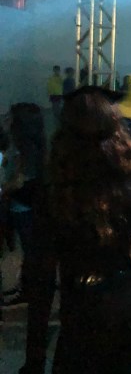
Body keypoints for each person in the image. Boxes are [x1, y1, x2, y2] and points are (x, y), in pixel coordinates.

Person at [17, 88, 131, 374]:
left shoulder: (56, 192)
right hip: (126, 303)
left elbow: (41, 280)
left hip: (83, 309)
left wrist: (35, 357)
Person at [0, 103, 46, 307]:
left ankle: (29, 290)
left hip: (23, 207)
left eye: (10, 117)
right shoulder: (36, 144)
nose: (6, 119)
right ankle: (27, 288)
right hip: (30, 206)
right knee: (29, 251)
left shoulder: (24, 148)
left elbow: (19, 181)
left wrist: (3, 189)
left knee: (29, 252)